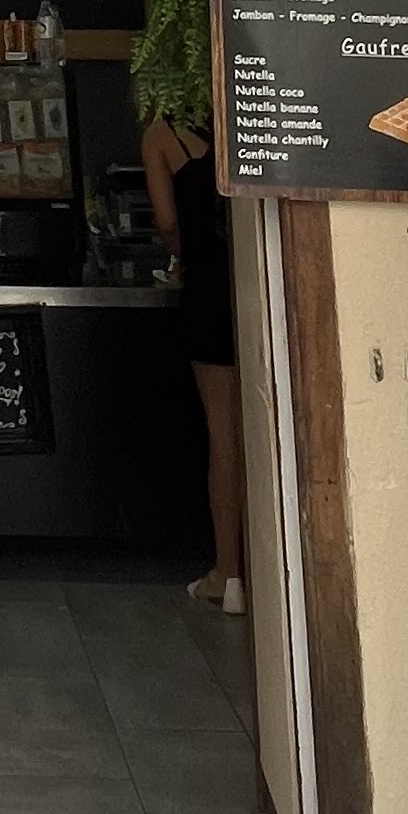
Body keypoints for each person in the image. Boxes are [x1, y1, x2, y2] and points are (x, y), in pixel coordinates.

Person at [144, 110, 243, 613]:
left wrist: (186, 254)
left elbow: (166, 222)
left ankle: (229, 574)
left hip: (207, 291)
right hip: (256, 284)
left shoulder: (162, 136)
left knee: (223, 436)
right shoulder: (247, 115)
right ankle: (272, 568)